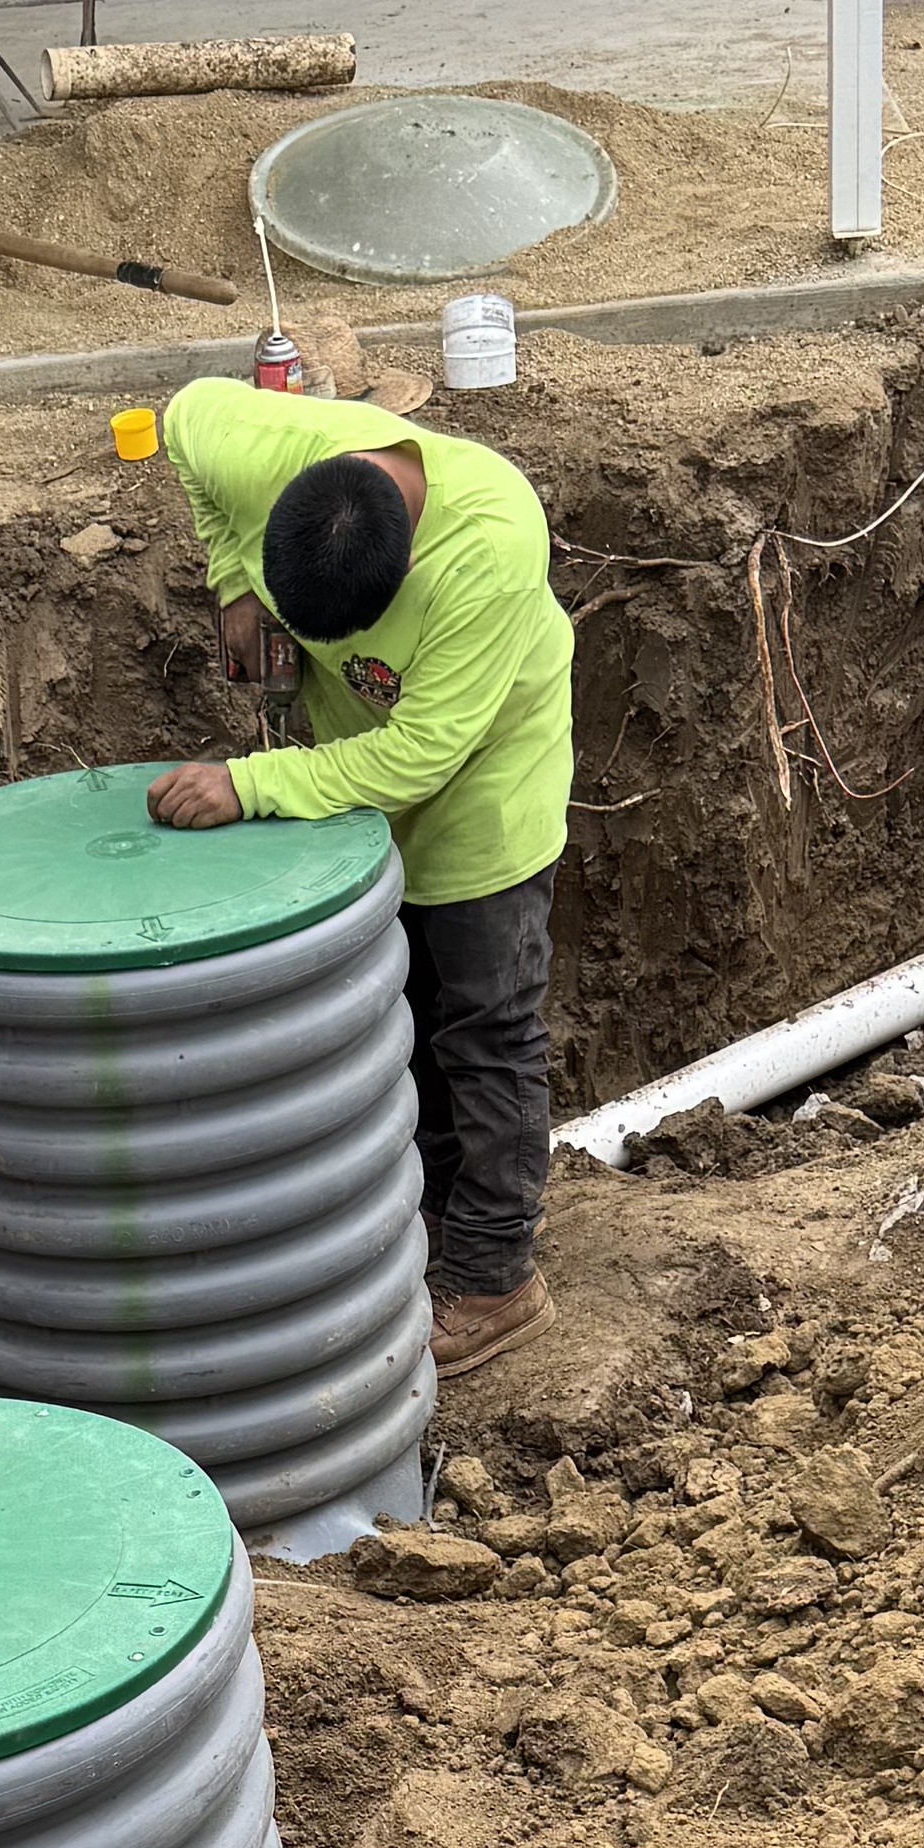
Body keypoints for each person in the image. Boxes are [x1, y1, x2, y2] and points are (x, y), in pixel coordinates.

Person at [144, 374, 575, 1377]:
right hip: (350, 791)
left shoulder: (489, 549)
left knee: (486, 1029)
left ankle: (496, 1278)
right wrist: (233, 584)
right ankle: (424, 1223)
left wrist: (252, 786)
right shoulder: (258, 442)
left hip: (480, 787)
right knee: (403, 1014)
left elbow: (422, 755)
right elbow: (179, 424)